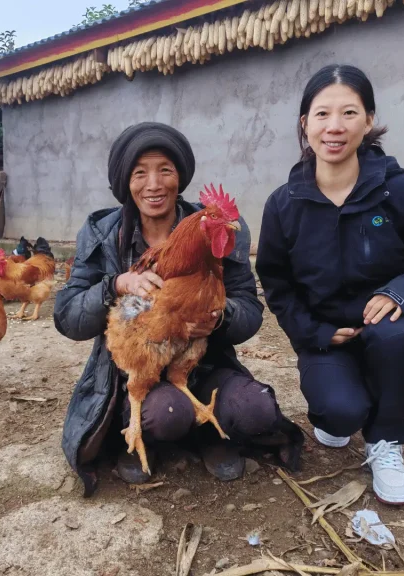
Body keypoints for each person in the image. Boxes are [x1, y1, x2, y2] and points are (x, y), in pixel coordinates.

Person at [255, 64, 404, 506]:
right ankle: (345, 405)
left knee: (396, 338)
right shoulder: (283, 204)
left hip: (390, 328)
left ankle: (385, 439)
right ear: (305, 124)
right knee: (338, 414)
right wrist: (314, 332)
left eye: (349, 113)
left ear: (368, 120)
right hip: (326, 336)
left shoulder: (403, 191)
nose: (334, 127)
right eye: (322, 114)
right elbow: (276, 281)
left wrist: (399, 293)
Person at [56, 122, 304, 496]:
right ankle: (135, 432)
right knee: (166, 413)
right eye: (140, 173)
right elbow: (68, 316)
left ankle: (209, 435)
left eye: (165, 170)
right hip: (136, 368)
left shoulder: (210, 228)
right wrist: (116, 285)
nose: (154, 184)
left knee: (256, 409)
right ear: (126, 181)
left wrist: (219, 318)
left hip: (205, 363)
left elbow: (250, 310)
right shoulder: (103, 233)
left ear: (180, 176)